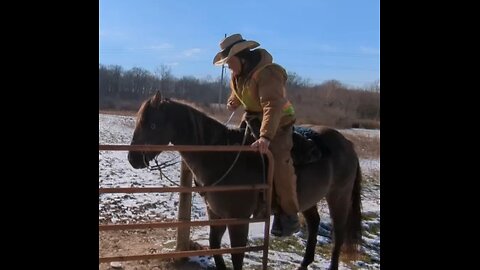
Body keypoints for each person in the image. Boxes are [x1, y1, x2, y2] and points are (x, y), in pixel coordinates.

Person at [213, 33, 300, 236]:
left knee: (278, 160)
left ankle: (289, 214)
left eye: (230, 62)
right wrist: (233, 101)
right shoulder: (239, 74)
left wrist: (266, 137)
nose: (228, 66)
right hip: (253, 119)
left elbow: (272, 105)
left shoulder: (268, 73)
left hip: (278, 123)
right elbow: (240, 91)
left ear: (242, 57)